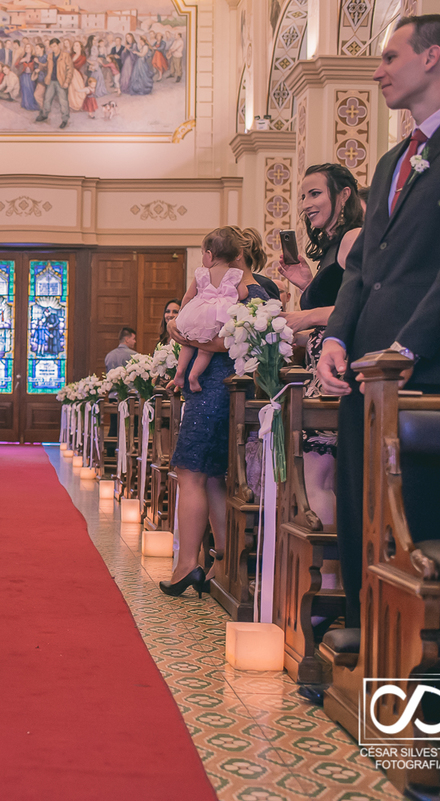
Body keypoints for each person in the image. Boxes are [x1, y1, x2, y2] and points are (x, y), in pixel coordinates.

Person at [317, 14, 440, 629]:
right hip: (367, 375)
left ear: (433, 57)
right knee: (360, 512)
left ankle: (421, 684)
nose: (377, 70)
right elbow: (363, 269)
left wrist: (405, 348)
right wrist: (337, 337)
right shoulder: (393, 158)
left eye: (390, 56)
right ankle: (368, 652)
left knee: (419, 525)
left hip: (433, 376)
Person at [162, 231, 270, 596]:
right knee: (210, 478)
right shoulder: (243, 288)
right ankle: (221, 562)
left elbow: (231, 341)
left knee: (190, 471)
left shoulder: (254, 291)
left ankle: (187, 564)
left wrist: (183, 337)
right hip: (215, 387)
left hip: (217, 389)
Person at [277, 163, 364, 528]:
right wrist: (305, 283)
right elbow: (335, 300)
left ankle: (328, 576)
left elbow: (362, 305)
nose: (305, 204)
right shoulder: (330, 247)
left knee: (320, 478)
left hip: (337, 373)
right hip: (318, 372)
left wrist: (306, 317)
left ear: (343, 194)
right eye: (302, 196)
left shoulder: (353, 237)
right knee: (317, 477)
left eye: (315, 194)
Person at [167, 229, 251, 393]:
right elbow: (243, 293)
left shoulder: (202, 273)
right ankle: (194, 376)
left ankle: (179, 372)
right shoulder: (234, 274)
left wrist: (182, 315)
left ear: (210, 255)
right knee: (206, 348)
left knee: (188, 340)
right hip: (220, 315)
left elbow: (188, 296)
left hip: (198, 312)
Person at [35, 38, 72, 129]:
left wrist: (67, 82)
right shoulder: (50, 56)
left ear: (59, 45)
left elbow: (70, 70)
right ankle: (45, 115)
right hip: (51, 80)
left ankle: (64, 119)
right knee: (47, 99)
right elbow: (47, 67)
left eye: (54, 46)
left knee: (63, 101)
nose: (53, 48)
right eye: (51, 47)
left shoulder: (65, 55)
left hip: (61, 81)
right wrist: (40, 65)